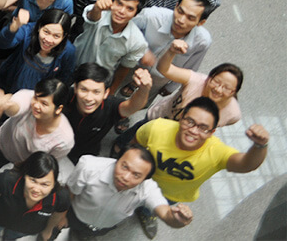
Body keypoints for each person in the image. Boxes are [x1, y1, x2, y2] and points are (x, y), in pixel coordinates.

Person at [135, 97, 269, 238]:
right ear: (181, 118)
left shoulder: (216, 152)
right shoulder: (157, 127)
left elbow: (246, 164)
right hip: (141, 180)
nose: (193, 131)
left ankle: (147, 213)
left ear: (211, 132)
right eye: (190, 121)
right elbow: (136, 144)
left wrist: (260, 146)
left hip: (170, 195)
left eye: (203, 128)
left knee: (152, 207)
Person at [114, 42, 241, 155]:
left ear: (234, 92)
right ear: (209, 78)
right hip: (158, 118)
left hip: (180, 137)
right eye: (216, 82)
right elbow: (164, 69)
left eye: (227, 88)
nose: (218, 90)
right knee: (137, 133)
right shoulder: (195, 80)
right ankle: (119, 146)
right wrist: (171, 52)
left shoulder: (233, 114)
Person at [65, 145, 193, 239]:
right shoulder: (89, 166)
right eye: (124, 167)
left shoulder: (147, 188)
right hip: (77, 215)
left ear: (144, 180)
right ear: (117, 160)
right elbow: (70, 190)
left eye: (136, 175)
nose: (125, 177)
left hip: (106, 225)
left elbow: (165, 213)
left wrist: (176, 220)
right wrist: (62, 215)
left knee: (92, 233)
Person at [126, 0, 213, 99]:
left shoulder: (202, 41)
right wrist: (143, 50)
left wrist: (172, 87)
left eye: (190, 18)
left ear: (201, 22)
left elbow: (191, 67)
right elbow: (125, 29)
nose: (181, 20)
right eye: (180, 11)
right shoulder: (151, 15)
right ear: (176, 6)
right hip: (130, 65)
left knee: (142, 102)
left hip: (158, 80)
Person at [0, 78, 74, 181]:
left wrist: (21, 167)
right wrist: (6, 105)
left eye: (44, 104)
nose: (36, 105)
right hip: (4, 143)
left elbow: (47, 162)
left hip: (25, 164)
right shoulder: (28, 95)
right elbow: (15, 107)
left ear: (58, 109)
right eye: (36, 98)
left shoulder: (64, 140)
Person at [63, 63, 152, 163]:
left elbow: (132, 106)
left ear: (106, 93)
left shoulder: (110, 106)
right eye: (84, 90)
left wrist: (144, 89)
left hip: (83, 155)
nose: (89, 98)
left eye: (96, 92)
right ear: (75, 88)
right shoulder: (64, 96)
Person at [73, 0, 148, 93]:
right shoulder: (99, 12)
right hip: (72, 65)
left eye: (130, 9)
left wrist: (111, 92)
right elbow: (92, 17)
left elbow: (123, 68)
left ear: (136, 14)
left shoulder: (137, 42)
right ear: (112, 1)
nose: (121, 11)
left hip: (97, 81)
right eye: (119, 4)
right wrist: (97, 8)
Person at [0, 152, 69, 241]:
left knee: (11, 237)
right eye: (33, 180)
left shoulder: (60, 197)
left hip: (25, 229)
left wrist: (48, 230)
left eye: (44, 184)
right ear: (25, 176)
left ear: (53, 184)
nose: (36, 189)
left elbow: (58, 214)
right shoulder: (7, 180)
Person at [0, 8, 76, 93]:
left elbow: (64, 79)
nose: (48, 40)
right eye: (46, 32)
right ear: (39, 27)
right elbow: (2, 43)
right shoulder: (27, 31)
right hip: (7, 86)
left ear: (64, 36)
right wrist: (13, 27)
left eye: (56, 36)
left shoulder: (68, 51)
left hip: (38, 96)